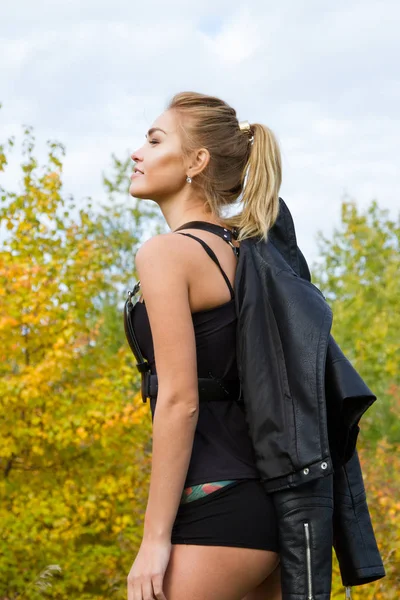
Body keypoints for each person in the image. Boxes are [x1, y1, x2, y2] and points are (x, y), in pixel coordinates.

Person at [126, 91, 282, 600]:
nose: (137, 153)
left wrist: (153, 540)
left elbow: (179, 400)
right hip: (274, 505)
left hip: (215, 508)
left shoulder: (167, 255)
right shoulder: (249, 251)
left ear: (197, 161)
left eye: (154, 140)